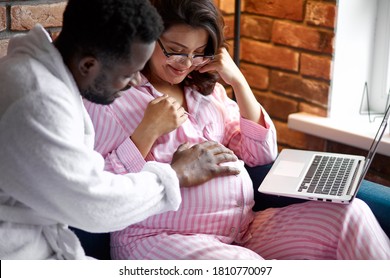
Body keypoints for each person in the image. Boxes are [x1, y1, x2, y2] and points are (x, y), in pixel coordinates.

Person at [84, 0, 390, 259]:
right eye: (175, 50)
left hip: (243, 229)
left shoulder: (205, 91)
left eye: (199, 52)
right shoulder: (110, 97)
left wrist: (239, 83)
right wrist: (146, 133)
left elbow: (260, 154)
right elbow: (94, 189)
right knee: (247, 266)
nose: (186, 63)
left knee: (353, 216)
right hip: (158, 237)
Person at [0, 0, 241, 260]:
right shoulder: (37, 101)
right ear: (88, 66)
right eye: (129, 73)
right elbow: (94, 206)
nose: (136, 82)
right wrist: (174, 175)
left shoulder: (45, 75)